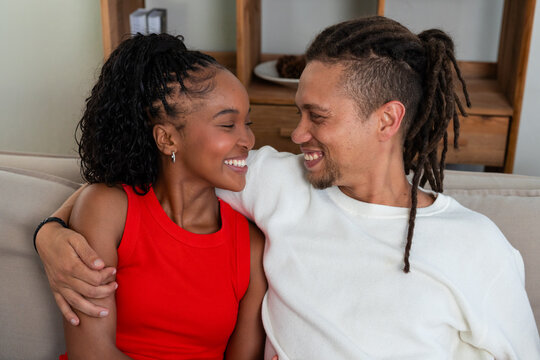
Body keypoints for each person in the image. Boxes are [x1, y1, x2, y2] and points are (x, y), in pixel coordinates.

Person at [36, 16, 540, 359]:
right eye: (299, 111)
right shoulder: (277, 182)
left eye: (316, 117)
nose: (295, 135)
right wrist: (51, 230)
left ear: (387, 120)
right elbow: (157, 170)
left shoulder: (476, 247)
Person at [44, 33, 268, 359]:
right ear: (167, 139)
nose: (247, 139)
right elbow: (91, 354)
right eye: (227, 125)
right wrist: (46, 230)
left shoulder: (250, 246)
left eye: (247, 123)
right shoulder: (109, 210)